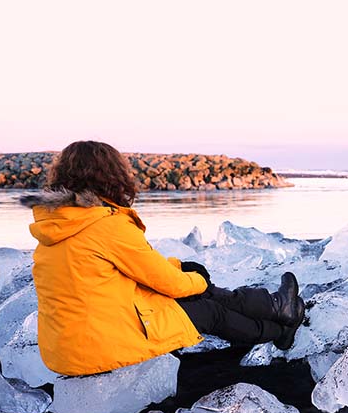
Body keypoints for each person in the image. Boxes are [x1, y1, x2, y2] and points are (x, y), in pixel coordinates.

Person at [20, 140, 305, 377]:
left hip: (64, 353)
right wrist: (197, 280)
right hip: (102, 347)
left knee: (190, 284)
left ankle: (275, 307)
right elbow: (172, 285)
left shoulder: (56, 224)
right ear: (110, 175)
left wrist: (180, 269)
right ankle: (278, 329)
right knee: (208, 308)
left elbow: (124, 272)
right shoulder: (104, 224)